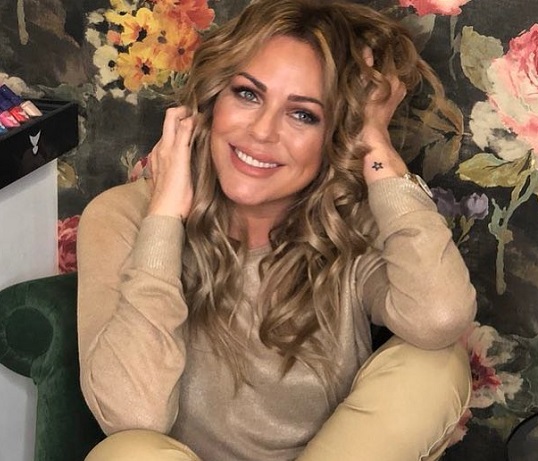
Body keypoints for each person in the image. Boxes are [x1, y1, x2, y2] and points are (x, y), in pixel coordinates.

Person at [77, 0, 477, 460]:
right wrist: (164, 217)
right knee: (128, 453)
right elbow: (132, 416)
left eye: (304, 114)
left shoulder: (349, 222)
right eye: (247, 94)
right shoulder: (122, 216)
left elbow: (440, 317)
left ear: (337, 134)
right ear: (211, 100)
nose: (263, 132)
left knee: (436, 362)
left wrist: (376, 144)